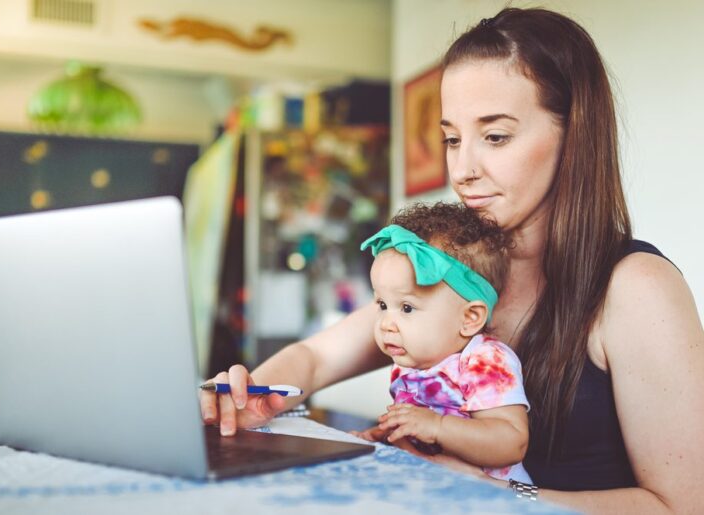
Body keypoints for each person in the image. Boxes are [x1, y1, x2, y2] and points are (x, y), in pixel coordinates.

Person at [201, 7, 704, 512]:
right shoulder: (453, 271)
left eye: (496, 136)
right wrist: (253, 395)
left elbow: (681, 505)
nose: (462, 170)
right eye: (452, 139)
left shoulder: (637, 287)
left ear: (573, 137)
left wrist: (501, 495)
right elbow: (313, 359)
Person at [353, 202, 531, 483]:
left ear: (470, 318)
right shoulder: (411, 363)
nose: (386, 323)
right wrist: (381, 434)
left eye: (407, 308)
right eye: (383, 304)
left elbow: (511, 442)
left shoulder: (484, 360)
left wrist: (436, 426)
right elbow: (419, 431)